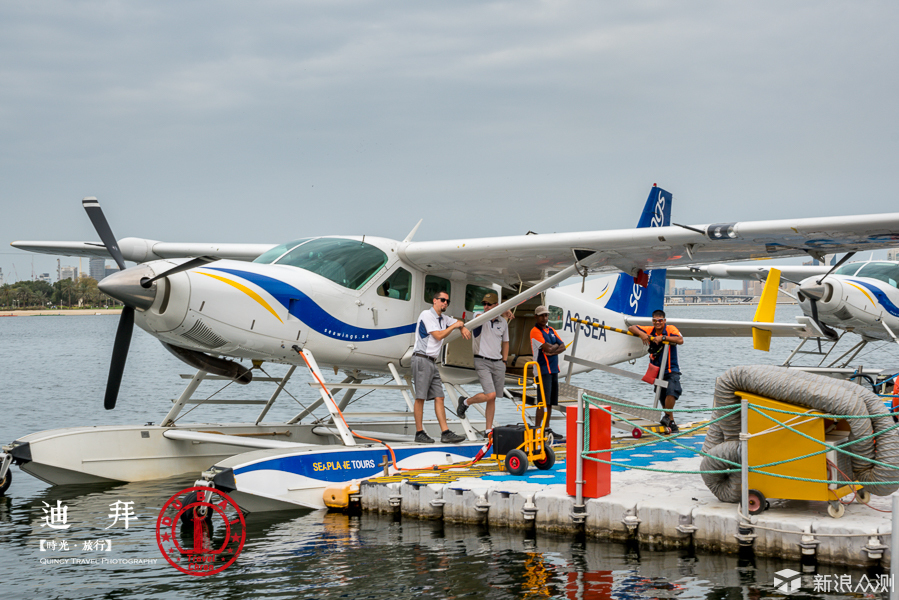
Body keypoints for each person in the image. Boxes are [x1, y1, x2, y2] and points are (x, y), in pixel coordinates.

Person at [412, 290, 471, 444]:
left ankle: (445, 432)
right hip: (421, 359)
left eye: (447, 301)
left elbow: (458, 322)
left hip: (432, 362)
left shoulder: (443, 318)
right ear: (435, 301)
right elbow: (438, 335)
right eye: (442, 300)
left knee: (440, 396)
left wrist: (461, 326)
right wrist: (456, 326)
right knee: (420, 398)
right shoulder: (427, 315)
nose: (445, 303)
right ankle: (419, 432)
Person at [457, 292, 513, 431]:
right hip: (482, 361)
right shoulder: (478, 316)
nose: (486, 307)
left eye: (489, 304)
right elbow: (482, 317)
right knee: (490, 394)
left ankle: (488, 430)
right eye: (484, 304)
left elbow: (506, 343)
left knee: (492, 398)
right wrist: (504, 309)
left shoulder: (503, 322)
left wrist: (504, 362)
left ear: (496, 305)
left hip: (498, 362)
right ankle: (465, 402)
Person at [628, 309, 684, 433]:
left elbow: (680, 340)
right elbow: (632, 327)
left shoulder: (670, 329)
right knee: (661, 395)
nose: (657, 323)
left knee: (672, 391)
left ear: (664, 321)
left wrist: (662, 338)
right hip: (657, 369)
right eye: (654, 320)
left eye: (660, 321)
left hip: (670, 368)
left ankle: (668, 417)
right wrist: (642, 334)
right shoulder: (650, 330)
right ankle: (671, 421)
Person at [530, 305, 566, 443]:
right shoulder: (534, 331)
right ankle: (538, 429)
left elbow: (562, 346)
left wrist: (553, 350)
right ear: (536, 317)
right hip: (542, 370)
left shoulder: (551, 330)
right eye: (541, 315)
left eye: (546, 315)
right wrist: (553, 348)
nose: (544, 318)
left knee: (550, 402)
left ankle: (547, 428)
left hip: (553, 369)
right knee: (542, 402)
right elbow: (548, 347)